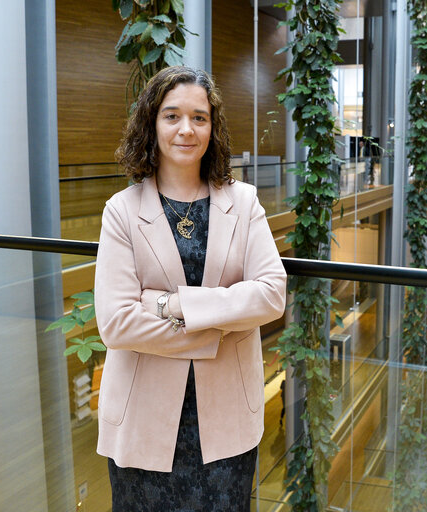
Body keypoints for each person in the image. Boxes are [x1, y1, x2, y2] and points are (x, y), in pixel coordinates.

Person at [94, 66, 287, 512]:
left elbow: (271, 293)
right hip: (143, 421)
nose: (186, 129)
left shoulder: (244, 203)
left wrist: (169, 304)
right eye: (172, 115)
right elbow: (118, 324)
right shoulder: (120, 212)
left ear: (212, 127)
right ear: (152, 123)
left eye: (199, 117)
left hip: (225, 422)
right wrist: (217, 328)